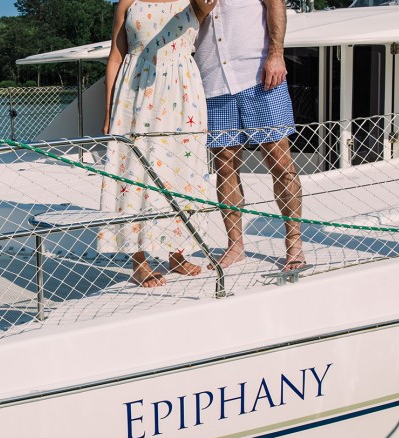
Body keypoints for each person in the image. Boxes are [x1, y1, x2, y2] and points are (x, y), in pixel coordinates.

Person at [98, 0, 217, 287]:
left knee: (181, 170)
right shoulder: (128, 2)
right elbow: (115, 57)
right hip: (134, 95)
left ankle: (178, 253)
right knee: (135, 172)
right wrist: (109, 110)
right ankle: (139, 261)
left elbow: (207, 5)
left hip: (181, 91)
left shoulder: (193, 2)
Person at [194, 0, 306, 271]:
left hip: (260, 76)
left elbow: (274, 4)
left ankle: (294, 244)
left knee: (280, 162)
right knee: (225, 166)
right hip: (212, 81)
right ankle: (235, 246)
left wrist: (276, 53)